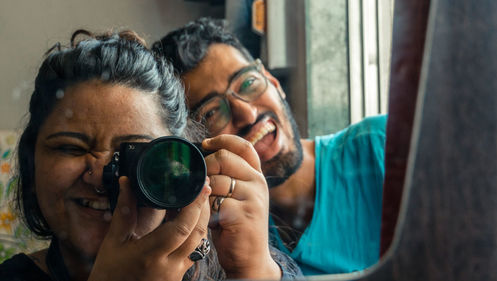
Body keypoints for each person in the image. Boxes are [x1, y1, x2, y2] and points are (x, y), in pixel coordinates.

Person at [0, 30, 302, 281]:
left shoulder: (234, 264)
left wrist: (257, 270)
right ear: (31, 161)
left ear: (184, 162)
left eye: (133, 153)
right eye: (71, 148)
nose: (101, 175)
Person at [152, 17, 387, 275]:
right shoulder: (222, 241)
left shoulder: (383, 145)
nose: (248, 114)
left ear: (273, 82)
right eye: (211, 113)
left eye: (248, 83)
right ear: (192, 147)